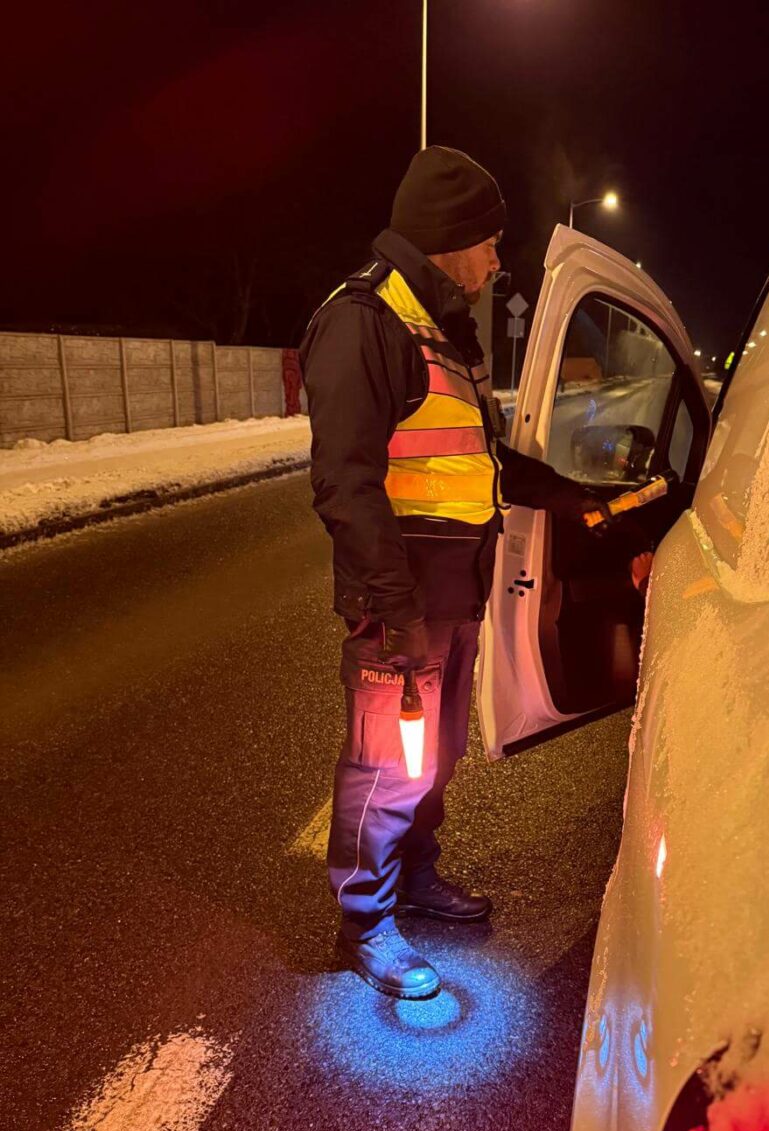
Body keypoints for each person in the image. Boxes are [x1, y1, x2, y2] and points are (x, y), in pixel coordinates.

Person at [301, 146, 606, 1000]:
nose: (497, 262)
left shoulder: (443, 329)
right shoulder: (366, 320)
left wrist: (572, 497)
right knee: (384, 762)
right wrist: (393, 611)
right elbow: (345, 484)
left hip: (453, 589)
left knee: (433, 755)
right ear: (450, 239)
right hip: (401, 595)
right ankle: (365, 919)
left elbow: (478, 458)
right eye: (491, 243)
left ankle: (414, 876)